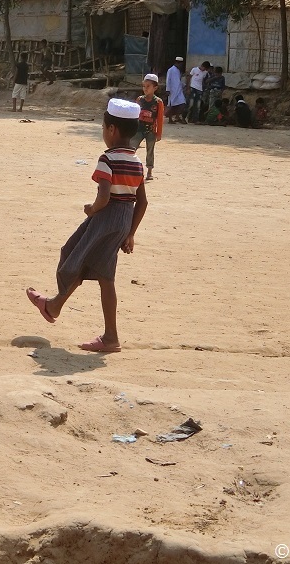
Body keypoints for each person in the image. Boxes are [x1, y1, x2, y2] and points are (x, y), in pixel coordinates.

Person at [26, 98, 148, 353]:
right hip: (123, 221)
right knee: (102, 273)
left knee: (74, 255)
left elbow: (104, 196)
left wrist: (92, 209)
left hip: (104, 219)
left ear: (111, 130)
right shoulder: (137, 162)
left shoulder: (107, 159)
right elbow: (142, 201)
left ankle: (61, 309)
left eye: (104, 128)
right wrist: (131, 233)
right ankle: (57, 307)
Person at [133, 73, 164, 181]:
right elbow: (134, 115)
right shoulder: (139, 99)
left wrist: (159, 133)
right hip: (138, 129)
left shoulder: (158, 102)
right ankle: (130, 168)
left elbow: (159, 119)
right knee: (132, 148)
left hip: (151, 130)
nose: (145, 89)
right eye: (144, 86)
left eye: (148, 86)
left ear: (155, 88)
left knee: (150, 151)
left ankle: (149, 171)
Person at [165, 56, 187, 123]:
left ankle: (177, 117)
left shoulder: (178, 70)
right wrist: (167, 89)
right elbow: (168, 80)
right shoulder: (171, 70)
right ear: (178, 63)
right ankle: (170, 119)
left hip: (179, 90)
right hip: (172, 91)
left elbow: (178, 81)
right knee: (172, 105)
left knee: (182, 104)